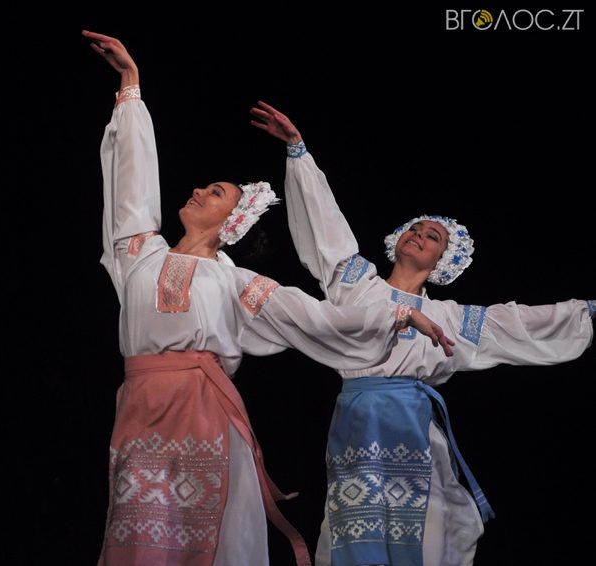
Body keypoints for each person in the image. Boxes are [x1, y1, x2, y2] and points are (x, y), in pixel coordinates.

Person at [82, 31, 455, 566]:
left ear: (234, 221)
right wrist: (130, 86)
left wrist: (400, 314)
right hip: (141, 411)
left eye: (216, 192)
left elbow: (320, 319)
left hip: (203, 413)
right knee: (138, 536)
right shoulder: (139, 253)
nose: (198, 191)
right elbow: (131, 185)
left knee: (207, 538)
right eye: (205, 186)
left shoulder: (237, 283)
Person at [250, 100, 595, 566]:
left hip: (412, 424)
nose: (419, 235)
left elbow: (519, 322)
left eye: (433, 236)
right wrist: (298, 150)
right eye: (415, 228)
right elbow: (325, 227)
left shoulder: (449, 317)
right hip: (358, 417)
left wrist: (586, 311)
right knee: (358, 520)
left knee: (427, 525)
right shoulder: (357, 283)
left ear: (442, 263)